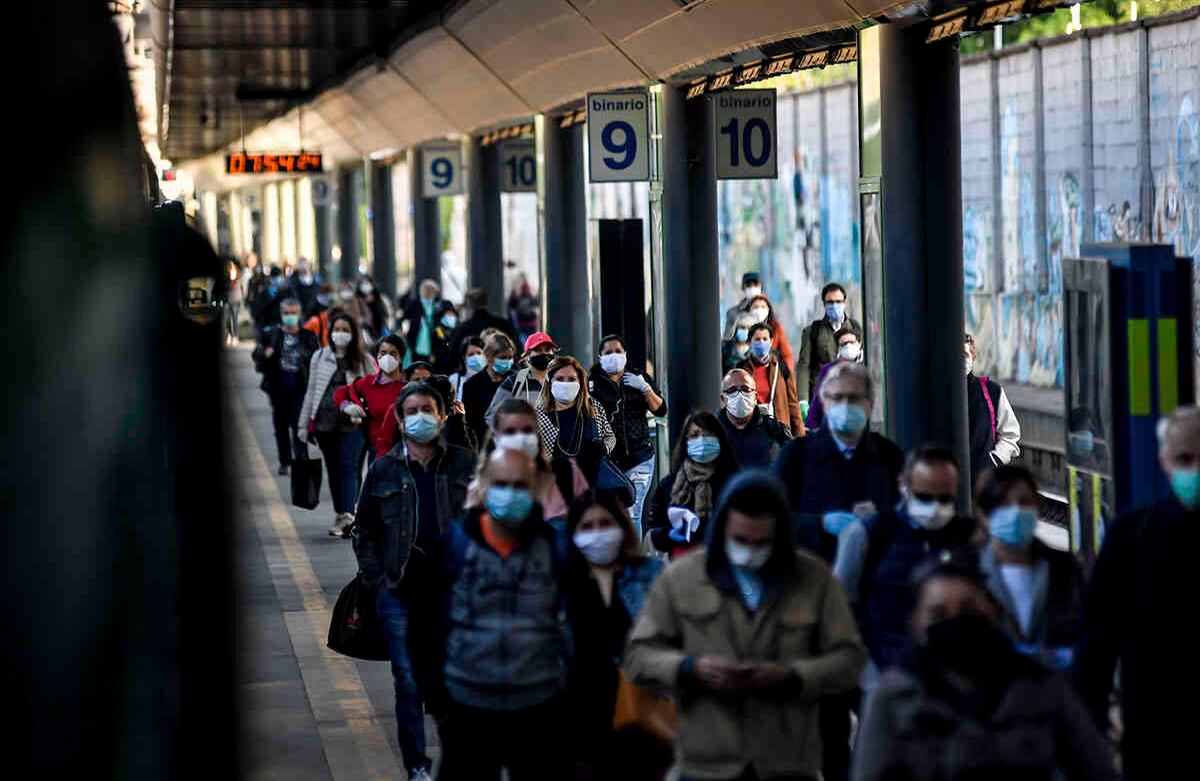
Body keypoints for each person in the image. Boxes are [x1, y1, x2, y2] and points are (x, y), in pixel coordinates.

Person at [626, 471, 867, 781]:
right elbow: (639, 655)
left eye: (761, 542)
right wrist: (690, 668)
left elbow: (849, 659)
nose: (750, 550)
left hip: (786, 760)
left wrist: (794, 675)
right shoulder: (683, 578)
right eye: (740, 540)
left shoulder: (814, 579)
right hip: (707, 760)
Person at [851, 551, 1116, 781]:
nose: (955, 622)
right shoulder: (893, 698)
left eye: (968, 608)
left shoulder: (1041, 687)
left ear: (991, 611)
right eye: (938, 614)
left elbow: (1095, 769)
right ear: (915, 623)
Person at [417, 449, 571, 780]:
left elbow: (578, 626)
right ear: (484, 488)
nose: (510, 494)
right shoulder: (456, 544)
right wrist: (439, 701)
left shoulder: (556, 549)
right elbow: (427, 625)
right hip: (468, 708)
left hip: (538, 709)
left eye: (520, 485)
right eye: (501, 484)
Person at [354, 381, 476, 781]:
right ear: (401, 420)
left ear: (443, 416)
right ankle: (417, 766)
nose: (420, 417)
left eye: (428, 409)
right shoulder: (385, 469)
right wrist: (377, 581)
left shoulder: (464, 464)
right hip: (400, 588)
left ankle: (457, 757)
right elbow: (365, 529)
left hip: (453, 590)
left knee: (451, 679)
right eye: (411, 411)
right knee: (407, 680)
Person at [1074, 406, 1200, 779]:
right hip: (1156, 733)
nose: (1196, 469)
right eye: (1185, 458)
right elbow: (1098, 638)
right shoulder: (1133, 535)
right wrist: (1090, 726)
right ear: (1164, 461)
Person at [833, 445, 977, 675]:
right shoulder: (870, 534)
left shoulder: (968, 538)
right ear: (904, 486)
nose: (935, 508)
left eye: (945, 499)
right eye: (924, 497)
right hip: (886, 672)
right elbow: (841, 606)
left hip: (954, 678)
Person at [564, 491, 668, 780]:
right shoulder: (560, 584)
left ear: (622, 527)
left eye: (605, 524)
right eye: (587, 527)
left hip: (639, 715)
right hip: (577, 718)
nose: (597, 535)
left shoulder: (650, 575)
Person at [776, 362, 902, 562]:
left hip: (873, 575)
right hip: (814, 573)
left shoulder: (888, 456)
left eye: (854, 398)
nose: (845, 405)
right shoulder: (796, 455)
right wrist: (821, 524)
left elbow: (906, 518)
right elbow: (774, 520)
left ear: (869, 403)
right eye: (837, 398)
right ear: (825, 402)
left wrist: (879, 520)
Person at [975, 465, 1084, 671]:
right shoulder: (968, 572)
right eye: (1003, 504)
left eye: (1024, 502)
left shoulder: (1064, 568)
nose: (1015, 512)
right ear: (984, 515)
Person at [297, 311, 376, 537]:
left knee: (348, 466)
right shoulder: (320, 357)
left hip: (354, 423)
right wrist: (303, 425)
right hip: (324, 424)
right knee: (333, 469)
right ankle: (343, 513)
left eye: (345, 330)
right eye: (337, 330)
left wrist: (365, 411)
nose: (340, 334)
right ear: (330, 333)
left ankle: (349, 515)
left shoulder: (364, 361)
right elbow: (311, 391)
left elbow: (373, 389)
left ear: (354, 334)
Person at [589, 334, 668, 536]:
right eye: (608, 353)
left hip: (639, 456)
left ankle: (632, 558)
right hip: (608, 461)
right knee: (611, 513)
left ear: (625, 354)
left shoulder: (637, 377)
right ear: (600, 357)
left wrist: (645, 388)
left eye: (617, 351)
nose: (613, 356)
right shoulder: (592, 383)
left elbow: (660, 410)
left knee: (632, 512)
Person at [645, 411, 739, 557]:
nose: (701, 440)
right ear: (686, 441)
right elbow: (654, 529)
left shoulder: (733, 483)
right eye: (695, 435)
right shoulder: (669, 485)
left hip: (724, 562)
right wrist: (668, 535)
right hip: (681, 567)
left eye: (708, 434)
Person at [252, 297, 319, 474]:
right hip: (278, 388)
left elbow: (316, 360)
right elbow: (257, 358)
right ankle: (285, 461)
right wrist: (264, 353)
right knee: (280, 427)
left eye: (293, 313)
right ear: (281, 315)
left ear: (299, 314)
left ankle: (301, 459)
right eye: (286, 313)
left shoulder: (307, 337)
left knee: (299, 426)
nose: (289, 316)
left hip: (300, 388)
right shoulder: (273, 335)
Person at [534, 356, 616, 491]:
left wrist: (605, 447)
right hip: (555, 488)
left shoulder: (593, 408)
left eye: (571, 379)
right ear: (549, 381)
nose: (566, 384)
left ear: (580, 382)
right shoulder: (539, 415)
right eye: (560, 379)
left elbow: (610, 436)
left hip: (592, 485)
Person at [332, 333, 407, 462]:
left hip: (405, 449)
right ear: (377, 356)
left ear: (401, 358)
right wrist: (346, 406)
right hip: (377, 450)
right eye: (383, 353)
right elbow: (340, 393)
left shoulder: (408, 386)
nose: (387, 357)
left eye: (393, 353)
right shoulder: (368, 383)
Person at [964, 333, 1020, 488]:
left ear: (973, 356)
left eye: (965, 354)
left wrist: (995, 459)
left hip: (983, 484)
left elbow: (1010, 433)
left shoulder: (991, 391)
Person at [795, 283, 862, 401]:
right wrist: (803, 400)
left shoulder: (855, 328)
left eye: (838, 301)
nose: (835, 305)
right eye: (830, 302)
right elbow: (804, 366)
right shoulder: (812, 331)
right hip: (822, 396)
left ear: (844, 303)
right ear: (824, 305)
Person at [736, 322, 804, 436]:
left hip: (780, 431)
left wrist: (800, 436)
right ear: (749, 342)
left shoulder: (781, 366)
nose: (761, 343)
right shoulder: (742, 369)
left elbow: (793, 403)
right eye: (757, 339)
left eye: (765, 339)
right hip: (753, 431)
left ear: (771, 341)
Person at [718, 368, 791, 469]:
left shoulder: (776, 431)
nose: (740, 395)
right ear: (722, 400)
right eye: (732, 390)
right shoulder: (713, 431)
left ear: (755, 397)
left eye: (745, 389)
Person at [484, 331, 559, 429]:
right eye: (537, 350)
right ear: (527, 356)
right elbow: (492, 416)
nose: (544, 354)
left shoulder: (561, 380)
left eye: (547, 349)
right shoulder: (515, 382)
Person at [805, 324, 864, 430]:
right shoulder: (829, 371)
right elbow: (817, 403)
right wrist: (811, 429)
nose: (848, 346)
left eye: (851, 342)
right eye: (844, 344)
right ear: (839, 348)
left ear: (859, 343)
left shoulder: (868, 366)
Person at [460, 332, 515, 445]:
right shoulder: (472, 385)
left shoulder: (517, 380)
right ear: (489, 357)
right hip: (484, 445)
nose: (507, 361)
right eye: (503, 357)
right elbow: (471, 423)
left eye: (510, 357)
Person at [446, 287, 518, 362]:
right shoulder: (503, 324)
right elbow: (516, 348)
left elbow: (452, 355)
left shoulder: (461, 329)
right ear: (487, 302)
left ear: (469, 304)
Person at [744, 293, 794, 371]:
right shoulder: (742, 327)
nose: (759, 310)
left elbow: (787, 355)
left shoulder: (776, 328)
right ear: (749, 309)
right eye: (756, 307)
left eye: (763, 307)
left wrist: (785, 374)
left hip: (771, 373)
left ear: (768, 309)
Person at [399, 278, 441, 364]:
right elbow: (404, 319)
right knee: (416, 362)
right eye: (426, 290)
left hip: (432, 338)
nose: (429, 293)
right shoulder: (414, 304)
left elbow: (438, 323)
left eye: (431, 290)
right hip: (416, 338)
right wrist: (405, 331)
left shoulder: (437, 305)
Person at [721, 271, 762, 340]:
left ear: (760, 286)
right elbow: (727, 341)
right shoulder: (733, 313)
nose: (752, 288)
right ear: (743, 287)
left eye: (755, 284)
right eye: (749, 285)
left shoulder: (769, 312)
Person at [447, 336, 485, 402]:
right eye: (471, 354)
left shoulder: (491, 379)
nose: (476, 357)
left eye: (479, 353)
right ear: (464, 358)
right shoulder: (455, 379)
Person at [506, 273, 540, 343]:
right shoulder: (531, 293)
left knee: (524, 342)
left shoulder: (517, 293)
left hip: (523, 324)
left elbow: (511, 308)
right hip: (529, 323)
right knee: (530, 342)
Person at [430, 299, 458, 372]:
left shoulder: (457, 329)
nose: (451, 316)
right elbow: (443, 343)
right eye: (448, 314)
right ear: (441, 315)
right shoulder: (437, 330)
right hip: (440, 367)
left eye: (452, 314)